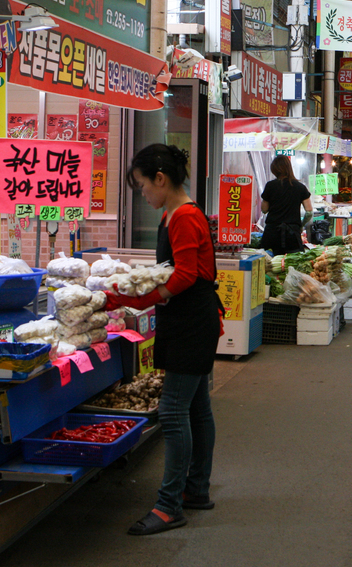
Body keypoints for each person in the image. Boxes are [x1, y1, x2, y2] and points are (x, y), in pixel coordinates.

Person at [108, 144, 222, 534]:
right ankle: (195, 489)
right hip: (190, 318)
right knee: (196, 408)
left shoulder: (183, 217)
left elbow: (186, 275)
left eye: (142, 186)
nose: (142, 193)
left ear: (160, 179)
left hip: (190, 320)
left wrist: (138, 299)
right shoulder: (174, 214)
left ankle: (169, 505)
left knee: (174, 411)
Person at [259, 154, 312, 254]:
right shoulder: (300, 187)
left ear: (274, 170)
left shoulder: (270, 186)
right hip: (292, 234)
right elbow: (309, 212)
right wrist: (301, 225)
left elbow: (264, 210)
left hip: (272, 233)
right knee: (292, 263)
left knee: (270, 263)